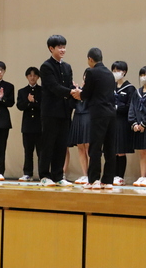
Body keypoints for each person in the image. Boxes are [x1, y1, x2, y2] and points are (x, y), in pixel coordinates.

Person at [74, 48, 117, 190]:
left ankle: (94, 180)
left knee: (95, 147)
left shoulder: (92, 72)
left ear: (90, 59)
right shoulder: (110, 74)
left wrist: (79, 93)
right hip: (111, 113)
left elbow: (86, 93)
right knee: (110, 148)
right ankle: (108, 181)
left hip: (98, 114)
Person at [38, 35, 77, 187]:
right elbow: (54, 87)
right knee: (48, 144)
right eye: (59, 47)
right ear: (51, 48)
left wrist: (76, 91)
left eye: (64, 47)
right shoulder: (46, 66)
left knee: (61, 145)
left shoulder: (67, 67)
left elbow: (69, 86)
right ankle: (44, 175)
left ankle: (58, 176)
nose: (63, 50)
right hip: (50, 112)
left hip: (64, 112)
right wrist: (71, 92)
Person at [112, 61, 136, 186]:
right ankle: (112, 175)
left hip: (122, 121)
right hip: (111, 121)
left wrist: (117, 108)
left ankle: (120, 176)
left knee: (121, 150)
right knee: (112, 150)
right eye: (114, 71)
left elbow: (130, 106)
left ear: (124, 72)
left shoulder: (130, 88)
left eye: (118, 71)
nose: (116, 73)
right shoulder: (111, 86)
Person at [16, 67, 42, 182]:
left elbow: (44, 106)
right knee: (28, 152)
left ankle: (43, 174)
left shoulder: (42, 90)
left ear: (38, 77)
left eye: (34, 75)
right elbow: (19, 106)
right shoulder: (22, 91)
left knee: (41, 152)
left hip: (40, 126)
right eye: (30, 75)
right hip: (27, 126)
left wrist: (34, 102)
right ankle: (27, 173)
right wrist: (28, 101)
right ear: (27, 77)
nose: (32, 77)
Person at [69, 70, 91, 185]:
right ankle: (85, 174)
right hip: (77, 116)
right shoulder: (78, 89)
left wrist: (82, 93)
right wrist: (74, 91)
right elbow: (72, 104)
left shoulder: (92, 90)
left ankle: (91, 175)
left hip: (88, 117)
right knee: (80, 147)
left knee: (88, 147)